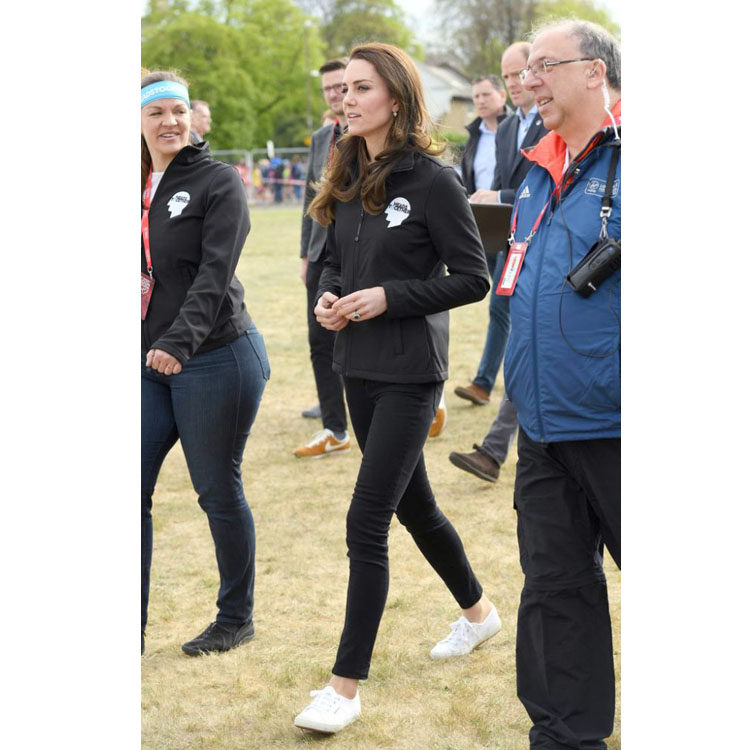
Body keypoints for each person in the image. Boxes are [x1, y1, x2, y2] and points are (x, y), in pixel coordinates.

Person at [293, 43, 501, 735]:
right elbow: (330, 261)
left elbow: (472, 278)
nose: (346, 99)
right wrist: (330, 298)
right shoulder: (347, 168)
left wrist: (390, 296)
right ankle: (479, 613)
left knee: (366, 520)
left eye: (361, 88)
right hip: (357, 368)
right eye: (343, 88)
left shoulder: (434, 180)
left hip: (412, 374)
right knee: (417, 507)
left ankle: (344, 688)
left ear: (396, 97)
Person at [501, 21, 621, 749]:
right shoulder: (537, 170)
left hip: (619, 424)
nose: (530, 81)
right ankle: (565, 737)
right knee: (555, 592)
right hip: (543, 427)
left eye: (545, 66)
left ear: (594, 71)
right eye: (526, 71)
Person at [141, 71, 270, 657]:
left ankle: (235, 618)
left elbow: (214, 276)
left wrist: (178, 342)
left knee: (216, 490)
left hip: (215, 356)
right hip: (149, 358)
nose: (170, 121)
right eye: (155, 112)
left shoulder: (218, 181)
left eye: (178, 110)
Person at [454, 42, 547, 410]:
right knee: (501, 307)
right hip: (509, 239)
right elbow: (503, 183)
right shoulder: (508, 128)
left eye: (518, 73)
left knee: (525, 314)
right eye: (507, 75)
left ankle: (507, 388)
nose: (513, 82)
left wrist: (499, 195)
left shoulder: (551, 119)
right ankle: (489, 385)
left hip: (543, 238)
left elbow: (546, 183)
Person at [294, 58, 352, 456]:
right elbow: (309, 199)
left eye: (341, 86)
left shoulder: (369, 132)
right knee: (320, 342)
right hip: (319, 254)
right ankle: (335, 428)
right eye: (328, 89)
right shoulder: (321, 138)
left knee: (363, 341)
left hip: (357, 251)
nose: (334, 94)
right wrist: (304, 254)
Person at [459, 74, 510, 276]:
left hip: (510, 219)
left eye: (486, 95)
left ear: (502, 96)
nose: (480, 101)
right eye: (476, 96)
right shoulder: (474, 135)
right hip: (482, 222)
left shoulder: (518, 129)